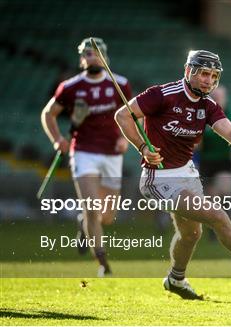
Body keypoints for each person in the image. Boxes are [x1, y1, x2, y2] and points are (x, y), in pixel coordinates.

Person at [114, 50, 231, 300]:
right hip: (159, 177)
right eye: (204, 74)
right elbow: (122, 115)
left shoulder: (208, 105)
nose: (209, 80)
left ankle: (175, 279)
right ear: (189, 71)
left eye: (213, 76)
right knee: (217, 216)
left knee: (191, 234)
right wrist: (143, 147)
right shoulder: (161, 95)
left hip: (187, 174)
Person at [41, 37, 131, 277]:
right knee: (92, 208)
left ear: (104, 57)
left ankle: (84, 223)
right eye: (87, 54)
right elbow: (48, 114)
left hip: (112, 153)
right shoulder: (70, 87)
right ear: (82, 59)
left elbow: (134, 115)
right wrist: (57, 139)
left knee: (108, 216)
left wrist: (126, 139)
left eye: (95, 54)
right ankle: (103, 263)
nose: (91, 58)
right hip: (83, 152)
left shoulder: (120, 84)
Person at [198, 85, 231, 241]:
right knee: (212, 196)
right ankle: (215, 229)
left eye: (220, 96)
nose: (218, 99)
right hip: (207, 161)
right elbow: (197, 142)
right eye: (215, 96)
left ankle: (225, 224)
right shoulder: (203, 114)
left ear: (225, 98)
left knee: (223, 191)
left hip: (225, 161)